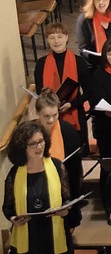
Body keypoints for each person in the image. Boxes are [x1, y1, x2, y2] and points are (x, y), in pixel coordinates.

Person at [3, 121, 73, 254]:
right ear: (22, 146)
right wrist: (13, 219)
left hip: (54, 232)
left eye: (41, 141)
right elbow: (7, 207)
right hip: (28, 233)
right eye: (33, 144)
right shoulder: (15, 173)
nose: (38, 147)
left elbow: (67, 198)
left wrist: (65, 209)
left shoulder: (57, 167)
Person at [35, 90, 84, 229]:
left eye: (55, 115)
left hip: (64, 188)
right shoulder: (30, 132)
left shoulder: (68, 131)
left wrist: (72, 204)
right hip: (39, 188)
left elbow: (75, 171)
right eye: (46, 116)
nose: (51, 120)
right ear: (37, 113)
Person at [35, 22, 91, 139]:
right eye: (52, 37)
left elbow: (89, 92)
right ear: (47, 40)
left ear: (66, 38)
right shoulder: (41, 64)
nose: (56, 41)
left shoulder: (79, 62)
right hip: (49, 117)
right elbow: (39, 93)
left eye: (60, 37)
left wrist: (71, 104)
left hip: (74, 111)